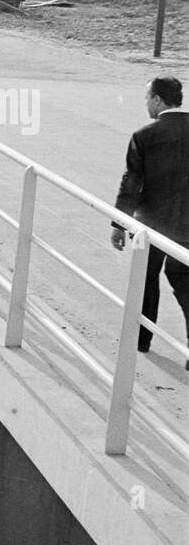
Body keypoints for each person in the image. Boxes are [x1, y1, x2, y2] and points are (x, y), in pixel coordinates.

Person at [111, 76, 189, 367]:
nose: (145, 103)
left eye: (147, 98)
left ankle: (142, 339)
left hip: (152, 224)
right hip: (187, 226)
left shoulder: (144, 136)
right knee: (184, 280)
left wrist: (118, 223)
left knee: (147, 279)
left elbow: (132, 181)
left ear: (157, 100)